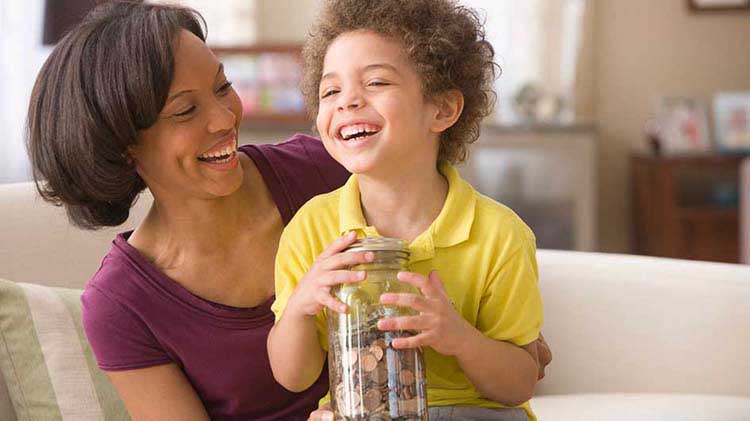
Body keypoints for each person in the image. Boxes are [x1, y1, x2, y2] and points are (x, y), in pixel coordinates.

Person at [26, 2, 349, 420]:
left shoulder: (325, 169)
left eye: (221, 87)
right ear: (123, 146)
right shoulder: (121, 305)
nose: (225, 118)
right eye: (185, 110)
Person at [267, 1, 547, 420]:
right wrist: (302, 306)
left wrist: (459, 338)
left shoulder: (499, 234)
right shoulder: (312, 228)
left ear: (442, 109)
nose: (347, 102)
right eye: (330, 91)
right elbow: (292, 376)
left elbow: (520, 382)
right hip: (362, 408)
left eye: (376, 82)